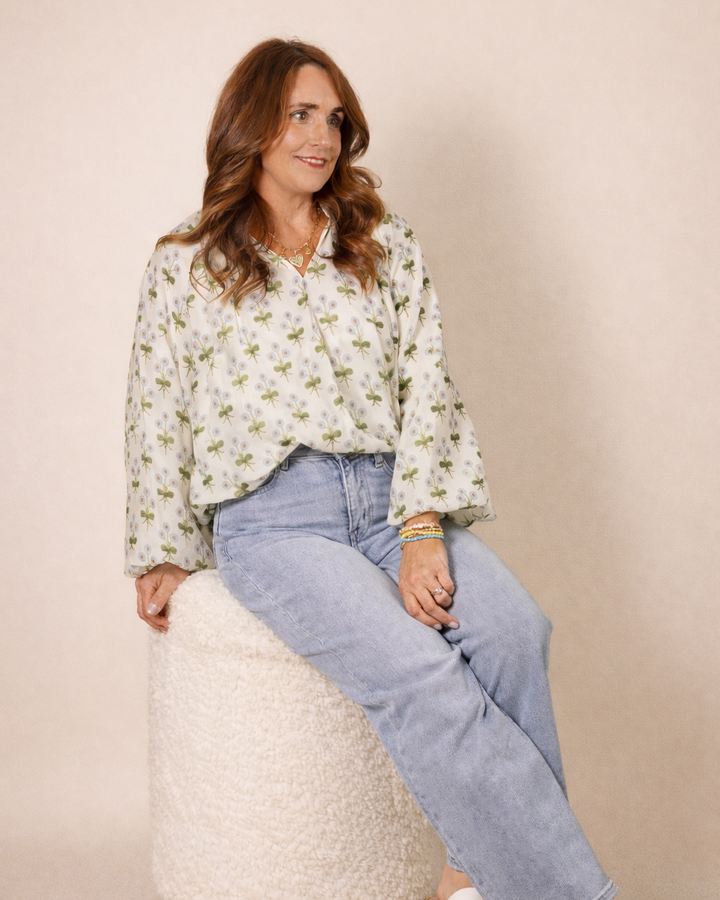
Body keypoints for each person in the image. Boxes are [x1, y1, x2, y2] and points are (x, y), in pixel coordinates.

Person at [125, 38, 617, 900]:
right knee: (424, 676)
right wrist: (162, 550)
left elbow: (426, 384)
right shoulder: (186, 263)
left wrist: (422, 526)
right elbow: (156, 410)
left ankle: (471, 880)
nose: (322, 135)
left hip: (390, 498)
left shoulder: (384, 247)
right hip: (274, 520)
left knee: (513, 633)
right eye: (299, 114)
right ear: (252, 125)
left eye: (335, 117)